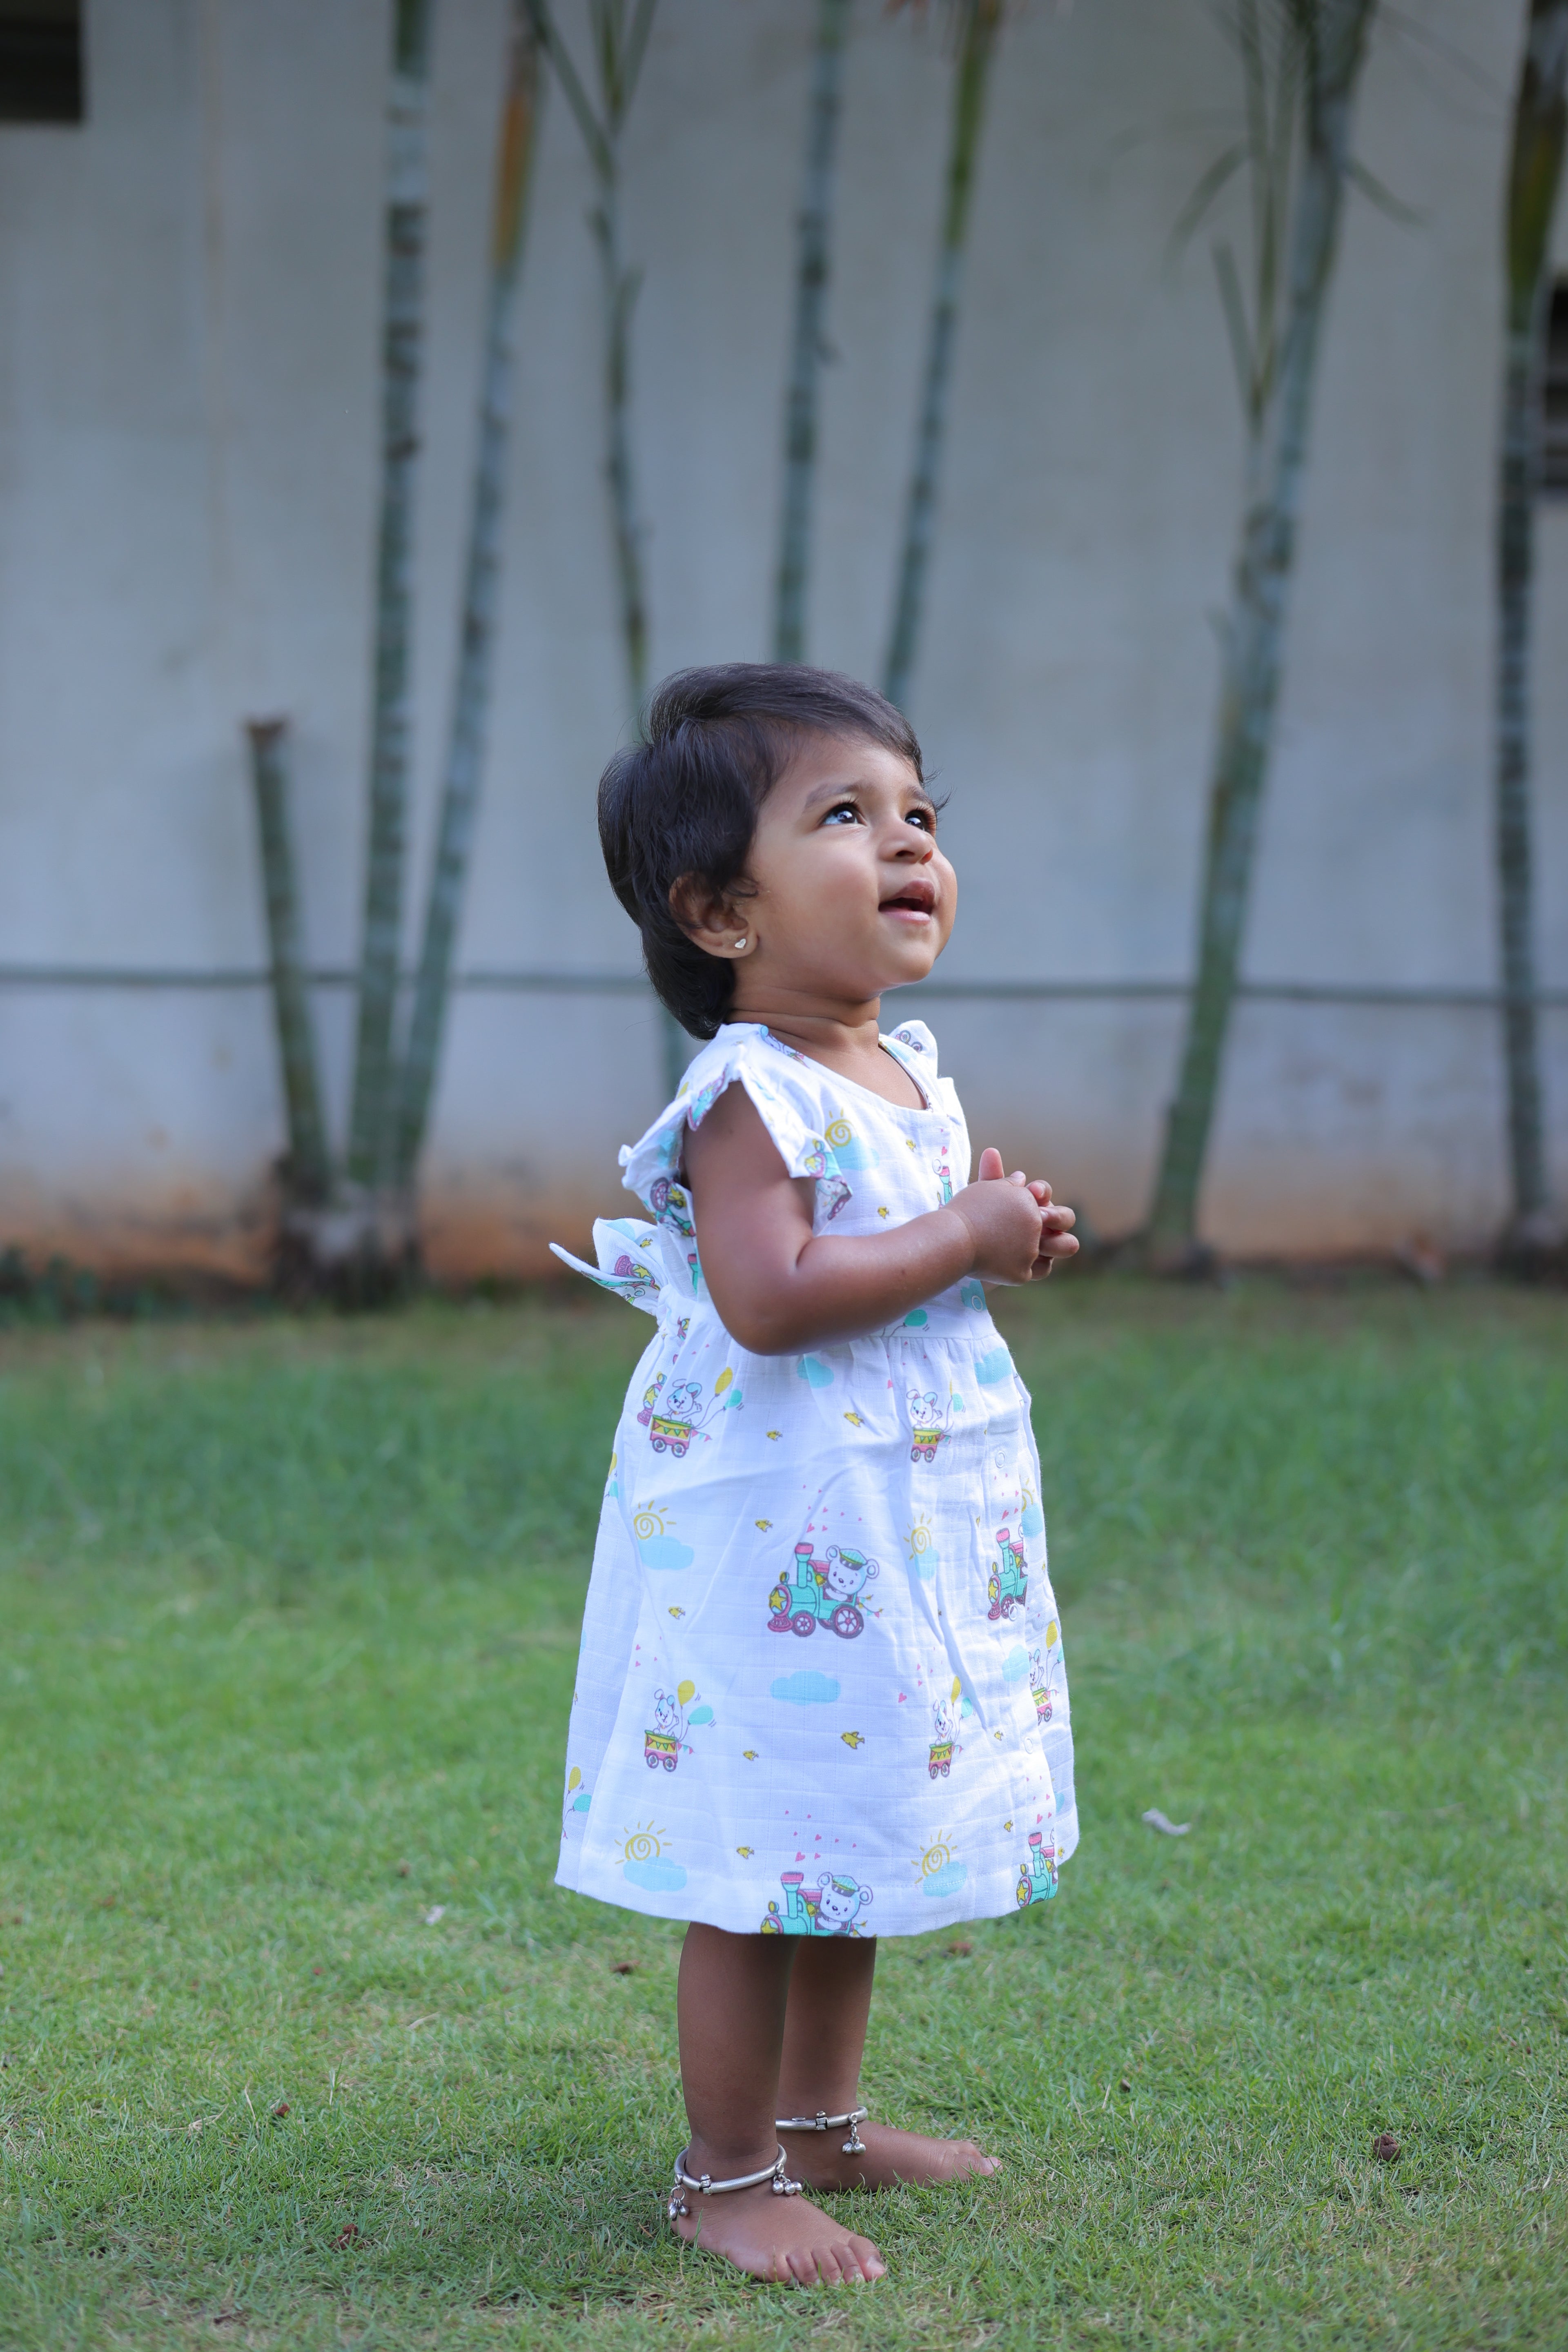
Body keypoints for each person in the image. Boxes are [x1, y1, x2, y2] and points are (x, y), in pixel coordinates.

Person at [552, 664, 1079, 2285]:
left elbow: (902, 1266)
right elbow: (772, 1296)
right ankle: (726, 2178)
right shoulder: (748, 1094)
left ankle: (823, 2124)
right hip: (778, 1537)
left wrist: (995, 1241)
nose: (908, 841)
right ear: (722, 913)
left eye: (918, 811)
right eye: (846, 815)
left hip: (896, 1529)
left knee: (848, 1827)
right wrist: (960, 1234)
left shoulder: (904, 1069)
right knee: (758, 1853)